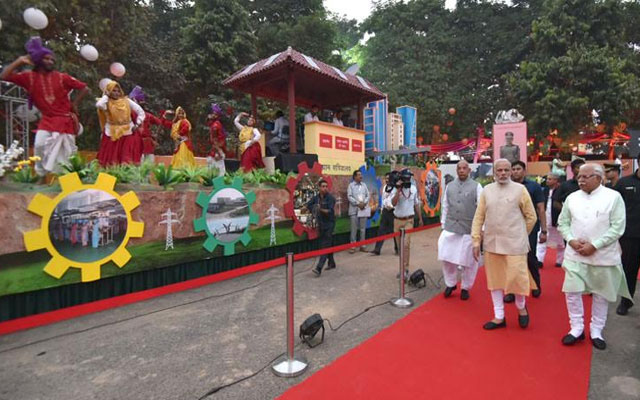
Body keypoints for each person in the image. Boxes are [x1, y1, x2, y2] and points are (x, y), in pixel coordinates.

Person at [558, 163, 631, 350]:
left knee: (600, 294)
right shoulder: (572, 198)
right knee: (572, 292)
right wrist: (571, 240)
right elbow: (563, 223)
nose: (580, 180)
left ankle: (596, 330)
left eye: (585, 176)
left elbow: (618, 227)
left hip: (603, 256)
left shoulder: (613, 197)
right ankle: (576, 328)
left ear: (598, 178)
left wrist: (595, 245)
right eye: (579, 177)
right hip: (575, 254)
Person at [0, 37, 89, 176]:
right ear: (38, 60)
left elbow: (84, 88)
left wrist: (74, 103)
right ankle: (41, 176)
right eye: (47, 59)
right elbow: (4, 76)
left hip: (64, 121)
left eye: (52, 60)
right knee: (39, 145)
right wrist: (19, 61)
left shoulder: (62, 77)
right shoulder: (29, 77)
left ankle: (65, 179)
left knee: (65, 154)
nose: (50, 61)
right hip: (47, 120)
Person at [471, 159, 537, 330]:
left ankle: (521, 308)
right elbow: (479, 217)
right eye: (499, 170)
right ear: (494, 172)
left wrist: (520, 234)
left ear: (511, 172)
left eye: (506, 170)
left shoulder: (520, 190)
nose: (503, 173)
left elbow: (531, 217)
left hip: (515, 244)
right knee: (495, 281)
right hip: (492, 243)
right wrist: (476, 241)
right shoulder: (487, 190)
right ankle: (499, 316)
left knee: (517, 278)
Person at [439, 160, 482, 300]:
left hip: (468, 229)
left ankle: (465, 287)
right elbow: (445, 205)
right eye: (459, 168)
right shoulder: (450, 186)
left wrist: (481, 229)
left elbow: (481, 208)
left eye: (464, 168)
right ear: (456, 170)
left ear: (469, 170)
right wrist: (443, 224)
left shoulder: (477, 186)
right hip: (450, 227)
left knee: (468, 261)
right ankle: (450, 283)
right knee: (447, 257)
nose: (462, 170)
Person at [506, 160, 546, 300]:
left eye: (518, 169)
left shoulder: (534, 187)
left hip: (529, 228)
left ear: (524, 171)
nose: (515, 171)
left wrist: (544, 230)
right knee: (510, 259)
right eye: (513, 169)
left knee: (530, 257)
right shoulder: (506, 186)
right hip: (510, 228)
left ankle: (535, 285)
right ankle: (511, 290)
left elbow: (541, 208)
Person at [614, 153, 640, 315]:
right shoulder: (624, 183)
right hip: (630, 236)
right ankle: (626, 301)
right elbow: (614, 208)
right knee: (629, 270)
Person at [96, 81, 145, 166]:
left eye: (118, 91)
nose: (116, 93)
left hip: (128, 131)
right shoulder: (106, 102)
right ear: (109, 91)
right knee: (110, 159)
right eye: (114, 91)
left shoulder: (126, 101)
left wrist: (137, 123)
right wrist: (106, 96)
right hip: (111, 133)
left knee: (126, 157)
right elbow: (99, 105)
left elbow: (140, 112)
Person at [391, 169, 424, 278]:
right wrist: (398, 190)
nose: (408, 180)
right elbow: (393, 203)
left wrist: (420, 218)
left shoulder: (413, 189)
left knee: (406, 245)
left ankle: (406, 269)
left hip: (409, 220)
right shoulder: (395, 188)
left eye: (409, 178)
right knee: (400, 247)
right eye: (406, 178)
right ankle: (401, 269)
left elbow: (416, 204)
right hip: (397, 220)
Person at [129, 85, 172, 164]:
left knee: (149, 165)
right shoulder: (129, 114)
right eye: (140, 102)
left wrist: (164, 116)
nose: (142, 104)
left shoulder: (148, 115)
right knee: (137, 164)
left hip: (147, 144)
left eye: (143, 102)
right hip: (135, 142)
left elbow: (160, 123)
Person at [307, 179, 337, 276]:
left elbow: (330, 211)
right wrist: (314, 208)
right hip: (321, 224)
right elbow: (308, 205)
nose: (325, 188)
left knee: (325, 246)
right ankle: (331, 263)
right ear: (319, 188)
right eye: (323, 186)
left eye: (326, 186)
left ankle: (319, 268)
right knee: (329, 244)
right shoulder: (316, 198)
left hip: (329, 224)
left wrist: (320, 209)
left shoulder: (330, 198)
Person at [536, 173, 565, 268]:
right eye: (547, 179)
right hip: (545, 218)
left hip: (557, 219)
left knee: (561, 242)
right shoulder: (544, 190)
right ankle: (539, 260)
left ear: (556, 180)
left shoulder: (561, 190)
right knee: (541, 238)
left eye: (550, 179)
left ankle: (560, 260)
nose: (547, 181)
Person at [372, 172, 399, 256]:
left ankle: (398, 248)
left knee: (395, 231)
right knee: (381, 230)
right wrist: (383, 209)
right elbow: (383, 199)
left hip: (393, 211)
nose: (387, 180)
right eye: (386, 178)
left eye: (388, 178)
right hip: (385, 211)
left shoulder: (396, 188)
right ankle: (377, 249)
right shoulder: (385, 187)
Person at [552, 158, 586, 223]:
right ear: (572, 170)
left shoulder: (590, 184)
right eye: (578, 167)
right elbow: (556, 203)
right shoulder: (565, 185)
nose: (581, 170)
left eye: (583, 167)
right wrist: (567, 212)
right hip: (570, 220)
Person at [347, 170, 370, 253]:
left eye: (361, 174)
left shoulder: (364, 185)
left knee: (363, 229)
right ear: (355, 177)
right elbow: (349, 196)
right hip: (354, 210)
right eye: (359, 175)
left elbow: (368, 195)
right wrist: (358, 203)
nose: (361, 176)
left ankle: (362, 246)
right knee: (354, 229)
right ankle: (353, 246)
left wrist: (364, 203)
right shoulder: (351, 185)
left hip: (363, 209)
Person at [207, 104, 226, 176]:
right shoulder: (213, 124)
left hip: (216, 148)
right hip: (214, 147)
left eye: (215, 114)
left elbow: (217, 138)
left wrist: (218, 151)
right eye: (213, 113)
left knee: (218, 167)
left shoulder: (216, 125)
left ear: (218, 116)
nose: (213, 115)